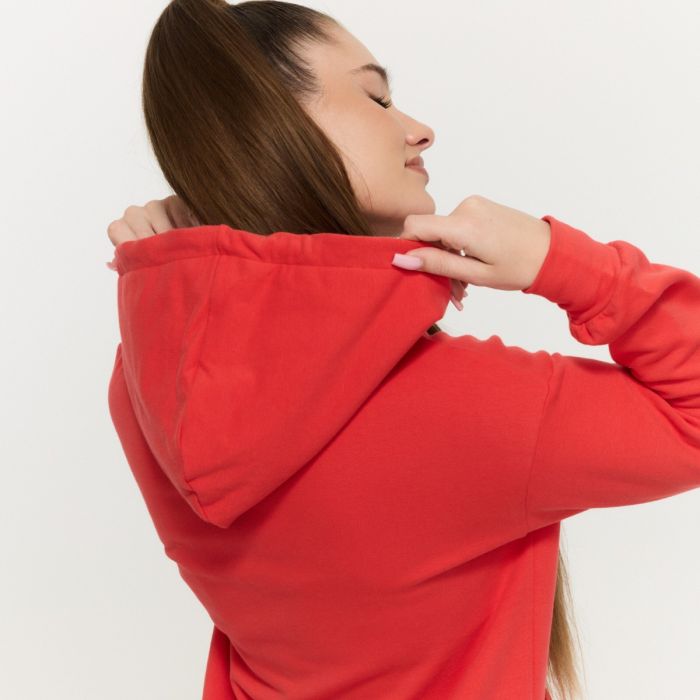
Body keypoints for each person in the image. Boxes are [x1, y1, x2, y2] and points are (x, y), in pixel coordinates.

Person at [105, 2, 700, 699]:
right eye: (377, 98)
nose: (419, 129)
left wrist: (177, 274)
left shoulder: (147, 382)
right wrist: (561, 262)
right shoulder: (469, 406)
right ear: (274, 124)